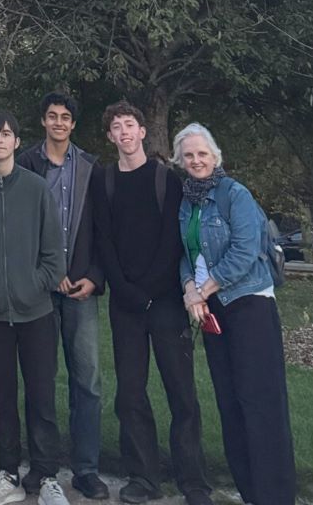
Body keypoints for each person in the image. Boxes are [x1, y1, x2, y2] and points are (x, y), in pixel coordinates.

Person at [91, 103, 211, 505]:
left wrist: (150, 289)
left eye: (129, 125)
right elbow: (102, 238)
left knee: (181, 392)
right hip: (125, 304)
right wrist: (125, 291)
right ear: (110, 137)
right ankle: (143, 476)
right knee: (130, 394)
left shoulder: (166, 179)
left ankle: (192, 480)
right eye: (115, 127)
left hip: (164, 302)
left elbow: (172, 239)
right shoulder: (104, 180)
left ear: (142, 131)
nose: (123, 132)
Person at [175, 123, 295, 505]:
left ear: (215, 157)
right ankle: (249, 492)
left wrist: (205, 288)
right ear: (181, 160)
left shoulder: (234, 195)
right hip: (215, 314)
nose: (196, 160)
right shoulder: (187, 202)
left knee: (261, 404)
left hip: (249, 305)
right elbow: (187, 254)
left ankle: (273, 496)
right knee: (231, 404)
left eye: (202, 154)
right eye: (189, 155)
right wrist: (189, 290)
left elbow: (244, 252)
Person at [0, 111, 67, 505]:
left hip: (36, 312)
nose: (0, 140)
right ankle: (7, 473)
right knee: (2, 398)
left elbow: (55, 256)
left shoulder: (37, 189)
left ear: (17, 142)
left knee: (41, 396)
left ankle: (47, 475)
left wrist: (32, 285)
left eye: (6, 134)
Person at [18, 92, 107, 500]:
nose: (58, 122)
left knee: (86, 381)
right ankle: (43, 466)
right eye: (52, 116)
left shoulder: (91, 168)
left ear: (73, 125)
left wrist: (94, 276)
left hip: (82, 290)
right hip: (41, 288)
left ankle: (86, 469)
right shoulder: (26, 165)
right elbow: (18, 229)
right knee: (41, 380)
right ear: (43, 122)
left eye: (65, 117)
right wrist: (45, 275)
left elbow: (104, 231)